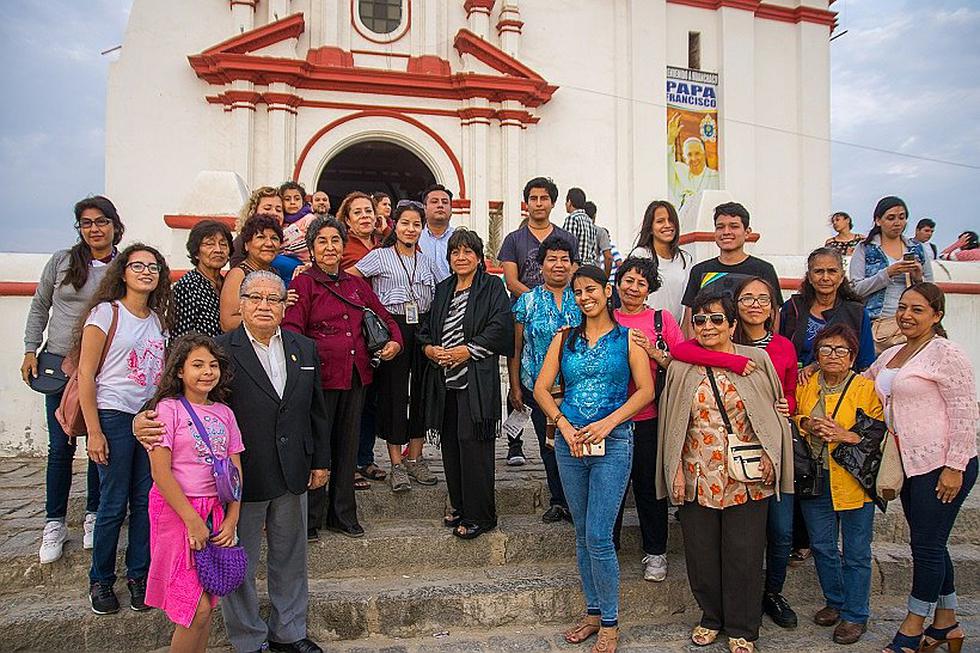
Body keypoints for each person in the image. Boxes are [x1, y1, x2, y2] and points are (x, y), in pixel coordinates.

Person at [135, 270, 332, 653]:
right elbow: (180, 395)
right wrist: (140, 420)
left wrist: (320, 460)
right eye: (255, 297)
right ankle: (249, 639)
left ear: (283, 305)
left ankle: (289, 633)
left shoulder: (303, 348)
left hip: (293, 469)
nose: (264, 305)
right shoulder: (221, 351)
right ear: (240, 304)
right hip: (239, 478)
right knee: (237, 562)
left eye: (273, 298)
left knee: (291, 557)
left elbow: (317, 410)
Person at [657, 290, 793, 653]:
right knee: (701, 554)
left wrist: (772, 455)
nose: (708, 326)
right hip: (697, 472)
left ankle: (742, 626)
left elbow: (774, 413)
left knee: (745, 553)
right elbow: (672, 424)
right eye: (700, 320)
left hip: (746, 473)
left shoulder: (755, 360)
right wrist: (674, 470)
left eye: (717, 319)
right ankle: (711, 617)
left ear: (733, 324)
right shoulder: (683, 367)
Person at [532, 265, 655, 653]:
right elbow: (540, 388)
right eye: (578, 293)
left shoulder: (628, 338)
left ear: (607, 290)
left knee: (600, 536)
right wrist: (563, 426)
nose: (585, 298)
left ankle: (610, 622)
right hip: (572, 445)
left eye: (591, 290)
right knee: (583, 534)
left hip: (614, 442)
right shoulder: (564, 339)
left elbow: (646, 391)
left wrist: (607, 424)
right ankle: (591, 612)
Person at [865, 283, 978, 653]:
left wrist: (955, 466)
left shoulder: (946, 353)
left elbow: (965, 412)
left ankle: (913, 625)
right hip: (908, 464)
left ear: (936, 315)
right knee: (933, 543)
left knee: (926, 546)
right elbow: (864, 384)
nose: (906, 315)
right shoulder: (893, 354)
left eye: (917, 309)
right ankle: (947, 624)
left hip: (941, 463)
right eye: (902, 308)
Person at [284, 216, 402, 539]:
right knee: (317, 448)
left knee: (348, 448)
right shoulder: (303, 284)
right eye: (322, 241)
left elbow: (384, 315)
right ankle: (311, 519)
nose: (330, 248)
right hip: (319, 381)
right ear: (311, 248)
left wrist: (394, 340)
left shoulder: (355, 284)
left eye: (335, 240)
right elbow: (292, 331)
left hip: (355, 376)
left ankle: (342, 514)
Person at [22, 196, 122, 564]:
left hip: (102, 369)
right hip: (61, 366)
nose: (95, 228)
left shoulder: (122, 267)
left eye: (101, 221)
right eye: (86, 222)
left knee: (99, 444)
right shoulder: (62, 262)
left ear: (114, 224)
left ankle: (95, 514)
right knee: (60, 447)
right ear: (79, 228)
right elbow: (39, 305)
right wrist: (30, 349)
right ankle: (55, 521)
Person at [79, 244, 172, 615]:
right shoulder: (105, 313)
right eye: (138, 265)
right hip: (113, 414)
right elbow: (87, 373)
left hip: (147, 417)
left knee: (146, 502)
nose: (147, 272)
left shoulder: (158, 320)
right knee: (112, 504)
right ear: (123, 271)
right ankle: (100, 580)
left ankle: (138, 575)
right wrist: (94, 431)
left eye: (154, 266)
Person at [144, 334, 244, 652]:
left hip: (214, 510)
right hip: (176, 511)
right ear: (179, 371)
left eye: (213, 365)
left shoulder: (225, 414)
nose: (206, 372)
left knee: (206, 606)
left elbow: (235, 471)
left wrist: (232, 519)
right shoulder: (167, 410)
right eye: (197, 364)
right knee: (194, 608)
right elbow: (160, 472)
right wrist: (190, 520)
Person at [418, 229, 513, 540]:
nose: (461, 257)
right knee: (451, 447)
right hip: (444, 381)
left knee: (474, 448)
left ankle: (481, 516)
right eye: (455, 252)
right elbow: (428, 327)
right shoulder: (444, 288)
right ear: (448, 258)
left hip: (475, 382)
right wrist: (430, 349)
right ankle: (460, 506)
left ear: (479, 257)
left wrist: (467, 351)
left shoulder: (492, 288)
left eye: (467, 252)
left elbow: (500, 327)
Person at [793, 324, 883, 646]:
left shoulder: (865, 388)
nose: (833, 355)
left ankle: (856, 615)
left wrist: (845, 435)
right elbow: (794, 417)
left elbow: (877, 433)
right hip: (815, 476)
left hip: (854, 479)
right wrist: (807, 424)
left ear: (852, 356)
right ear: (816, 355)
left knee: (857, 551)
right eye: (826, 349)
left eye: (841, 350)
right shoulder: (807, 384)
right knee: (821, 545)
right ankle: (835, 601)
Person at [350, 201, 439, 492]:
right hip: (393, 328)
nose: (410, 229)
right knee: (394, 394)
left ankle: (415, 457)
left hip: (423, 328)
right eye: (405, 223)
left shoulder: (427, 262)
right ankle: (396, 464)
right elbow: (350, 277)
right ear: (394, 225)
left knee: (422, 393)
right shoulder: (379, 256)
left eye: (416, 224)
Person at [610, 257, 685, 582]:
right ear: (618, 283)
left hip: (648, 417)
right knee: (609, 487)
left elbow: (682, 364)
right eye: (629, 280)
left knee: (648, 488)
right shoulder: (605, 316)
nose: (634, 287)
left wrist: (654, 352)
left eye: (641, 282)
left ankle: (655, 552)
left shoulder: (660, 320)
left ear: (649, 288)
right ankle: (605, 549)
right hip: (608, 418)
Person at [508, 233, 581, 521]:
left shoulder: (583, 299)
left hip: (578, 387)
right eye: (552, 259)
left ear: (573, 266)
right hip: (539, 387)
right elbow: (515, 347)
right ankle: (558, 500)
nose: (559, 265)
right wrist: (515, 386)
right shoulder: (527, 301)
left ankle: (577, 501)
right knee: (548, 444)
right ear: (541, 266)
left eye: (565, 259)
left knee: (575, 442)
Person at [680, 202, 783, 336]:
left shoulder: (764, 270)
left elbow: (773, 314)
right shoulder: (699, 271)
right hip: (709, 350)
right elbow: (689, 319)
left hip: (753, 350)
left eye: (734, 226)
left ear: (747, 232)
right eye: (720, 227)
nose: (726, 232)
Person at [780, 247, 875, 376]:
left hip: (842, 389)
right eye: (819, 271)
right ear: (809, 277)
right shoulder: (792, 308)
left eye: (832, 271)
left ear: (841, 277)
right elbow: (779, 351)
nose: (825, 277)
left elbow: (866, 363)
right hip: (797, 386)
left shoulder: (856, 313)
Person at [499, 176, 579, 301]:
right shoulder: (512, 240)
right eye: (533, 199)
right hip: (523, 310)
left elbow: (572, 276)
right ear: (526, 203)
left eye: (544, 198)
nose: (539, 204)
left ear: (553, 203)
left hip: (561, 309)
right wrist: (540, 301)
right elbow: (511, 283)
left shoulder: (568, 239)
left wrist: (554, 302)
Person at [630, 200, 694, 318]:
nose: (667, 225)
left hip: (675, 332)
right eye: (660, 221)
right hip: (645, 330)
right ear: (650, 228)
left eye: (671, 220)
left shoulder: (685, 259)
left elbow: (688, 303)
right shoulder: (641, 255)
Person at [220, 214, 284, 333]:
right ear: (246, 245)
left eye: (274, 238)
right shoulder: (238, 274)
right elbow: (228, 322)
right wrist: (265, 319)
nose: (269, 243)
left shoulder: (274, 274)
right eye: (261, 237)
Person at [172, 219, 233, 338]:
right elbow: (181, 336)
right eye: (209, 244)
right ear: (196, 252)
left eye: (223, 244)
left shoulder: (227, 283)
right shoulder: (187, 287)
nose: (218, 250)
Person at [667, 114, 720, 209]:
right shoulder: (679, 172)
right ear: (684, 156)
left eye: (697, 153)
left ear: (704, 154)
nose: (694, 158)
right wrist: (670, 140)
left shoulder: (714, 176)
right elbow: (668, 161)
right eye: (689, 154)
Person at [230, 186, 285, 267]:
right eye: (267, 208)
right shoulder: (241, 241)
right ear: (253, 211)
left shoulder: (290, 241)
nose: (274, 213)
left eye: (279, 210)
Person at [337, 191, 385, 271]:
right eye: (357, 212)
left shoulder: (382, 245)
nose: (364, 215)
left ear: (375, 216)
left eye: (368, 211)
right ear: (348, 220)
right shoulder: (340, 245)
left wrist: (386, 231)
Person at [418, 184, 456, 282]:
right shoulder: (415, 238)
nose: (440, 205)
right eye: (434, 202)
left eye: (445, 202)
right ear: (425, 209)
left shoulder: (459, 239)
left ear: (451, 210)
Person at [563, 187, 600, 267]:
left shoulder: (572, 219)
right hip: (589, 268)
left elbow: (567, 246)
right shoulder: (590, 221)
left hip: (576, 268)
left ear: (569, 202)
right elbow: (593, 250)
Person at [584, 201, 614, 277]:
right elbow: (608, 257)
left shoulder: (573, 228)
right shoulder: (601, 232)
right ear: (594, 215)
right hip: (594, 273)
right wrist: (605, 277)